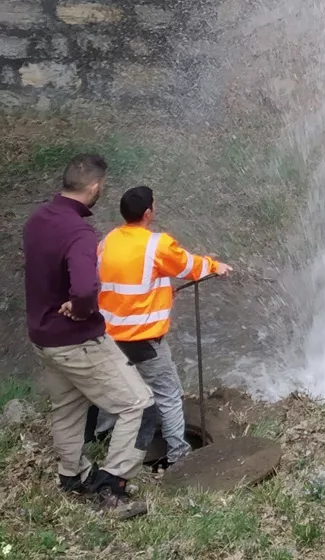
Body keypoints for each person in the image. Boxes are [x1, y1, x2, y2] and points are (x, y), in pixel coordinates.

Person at [22, 153, 157, 515]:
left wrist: (67, 300)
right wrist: (80, 307)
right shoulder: (78, 231)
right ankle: (112, 487)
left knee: (68, 407)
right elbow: (84, 288)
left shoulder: (37, 219)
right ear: (95, 187)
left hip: (43, 336)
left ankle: (73, 476)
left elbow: (45, 272)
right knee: (140, 405)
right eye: (103, 187)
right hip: (76, 340)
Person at [96, 186, 231, 468]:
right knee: (168, 394)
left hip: (108, 337)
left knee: (117, 392)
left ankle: (103, 441)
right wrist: (214, 266)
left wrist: (162, 292)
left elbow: (127, 284)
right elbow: (188, 266)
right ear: (148, 213)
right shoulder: (156, 244)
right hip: (144, 340)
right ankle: (178, 457)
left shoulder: (108, 241)